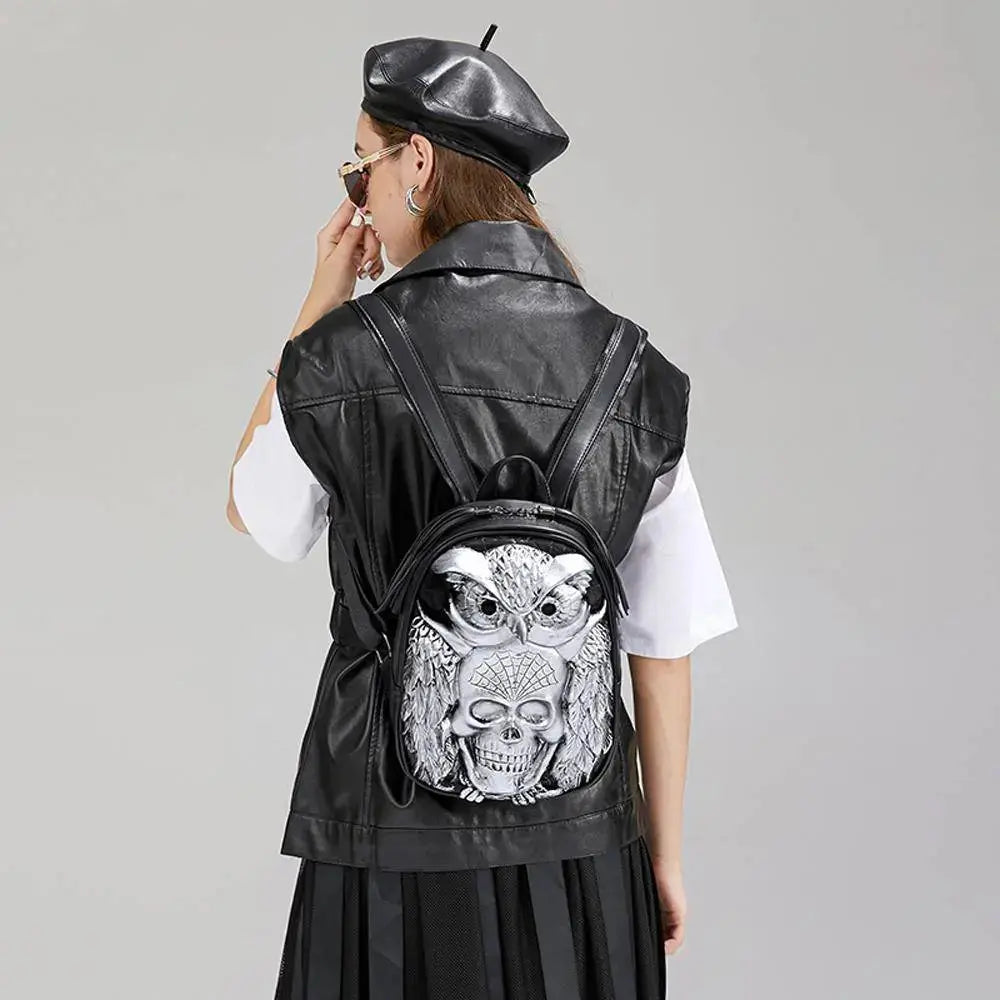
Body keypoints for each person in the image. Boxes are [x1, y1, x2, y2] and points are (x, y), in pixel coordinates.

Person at [227, 26, 737, 1000]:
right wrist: (662, 856)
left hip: (386, 843)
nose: (358, 195)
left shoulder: (341, 356)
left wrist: (317, 307)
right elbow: (664, 641)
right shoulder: (636, 372)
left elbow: (256, 511)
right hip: (583, 844)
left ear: (416, 163)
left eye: (360, 166)